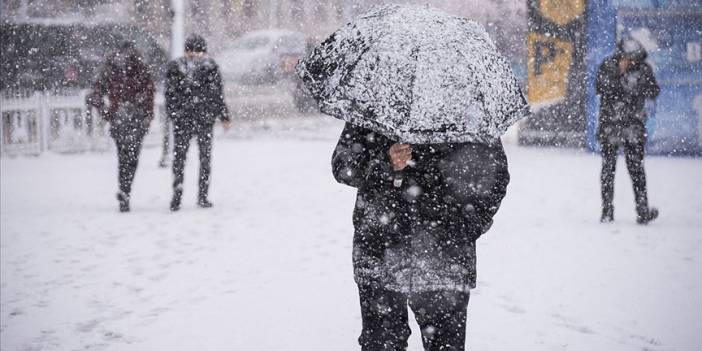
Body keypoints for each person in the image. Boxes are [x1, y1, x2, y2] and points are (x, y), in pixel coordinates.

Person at [332, 123, 510, 351]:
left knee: (445, 345)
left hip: (445, 257)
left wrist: (465, 227)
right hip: (380, 251)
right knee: (381, 345)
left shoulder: (466, 109)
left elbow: (495, 176)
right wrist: (384, 162)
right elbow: (343, 165)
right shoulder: (376, 104)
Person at [596, 38, 660, 224]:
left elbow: (654, 90)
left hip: (633, 126)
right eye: (628, 58)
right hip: (611, 125)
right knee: (608, 169)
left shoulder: (644, 69)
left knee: (637, 170)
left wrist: (637, 84)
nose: (631, 62)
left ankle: (642, 211)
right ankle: (607, 211)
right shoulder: (608, 66)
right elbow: (601, 87)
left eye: (634, 59)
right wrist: (619, 73)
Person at [165, 34, 231, 211]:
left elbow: (217, 94)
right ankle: (180, 194)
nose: (194, 55)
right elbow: (170, 94)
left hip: (199, 119)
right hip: (190, 119)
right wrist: (175, 114)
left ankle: (200, 195)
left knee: (201, 158)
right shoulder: (179, 67)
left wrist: (224, 115)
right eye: (191, 51)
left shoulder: (208, 68)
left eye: (198, 51)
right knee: (183, 158)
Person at [88, 41, 155, 212]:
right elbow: (149, 95)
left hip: (122, 118)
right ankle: (126, 190)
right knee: (131, 157)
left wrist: (108, 112)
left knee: (124, 157)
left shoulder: (111, 69)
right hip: (133, 118)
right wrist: (146, 115)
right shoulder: (139, 68)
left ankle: (124, 190)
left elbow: (94, 95)